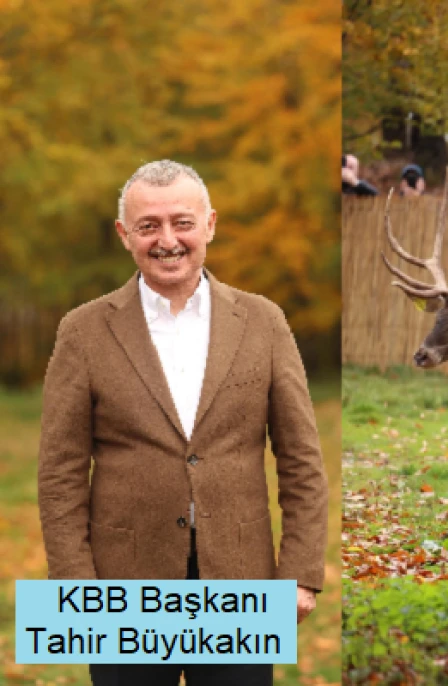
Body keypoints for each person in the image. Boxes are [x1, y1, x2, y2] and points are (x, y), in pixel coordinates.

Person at [38, 160, 328, 686]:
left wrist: (300, 574)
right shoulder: (82, 331)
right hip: (122, 584)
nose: (167, 239)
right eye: (149, 226)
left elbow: (302, 459)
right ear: (126, 235)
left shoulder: (264, 322)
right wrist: (74, 583)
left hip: (240, 580)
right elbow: (60, 473)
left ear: (210, 225)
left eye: (182, 222)